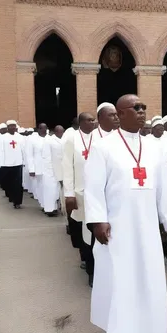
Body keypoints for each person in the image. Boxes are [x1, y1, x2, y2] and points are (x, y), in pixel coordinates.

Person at [84, 94, 167, 333]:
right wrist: (98, 221)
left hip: (148, 231)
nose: (142, 112)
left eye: (144, 107)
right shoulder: (104, 147)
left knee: (148, 283)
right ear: (120, 113)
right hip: (117, 230)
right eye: (135, 108)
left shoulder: (154, 148)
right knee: (123, 285)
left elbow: (164, 191)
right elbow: (93, 188)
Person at [63, 112, 95, 287]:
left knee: (93, 231)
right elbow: (67, 166)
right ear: (81, 122)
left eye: (94, 120)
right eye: (89, 120)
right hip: (79, 192)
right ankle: (88, 265)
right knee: (84, 230)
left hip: (96, 193)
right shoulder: (72, 139)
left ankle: (94, 266)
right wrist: (69, 194)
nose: (93, 123)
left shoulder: (99, 138)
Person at [0, 120, 26, 209]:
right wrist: (1, 163)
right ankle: (11, 196)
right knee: (8, 182)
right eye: (11, 126)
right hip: (6, 164)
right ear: (7, 127)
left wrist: (24, 161)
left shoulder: (20, 137)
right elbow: (1, 151)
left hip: (18, 163)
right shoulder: (3, 138)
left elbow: (23, 150)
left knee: (18, 183)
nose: (13, 127)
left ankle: (17, 202)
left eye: (14, 126)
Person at [41, 125, 64, 217]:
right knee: (50, 190)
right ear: (55, 132)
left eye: (62, 131)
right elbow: (46, 156)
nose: (61, 133)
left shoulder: (63, 140)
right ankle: (49, 209)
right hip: (50, 169)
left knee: (58, 190)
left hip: (61, 168)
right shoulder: (49, 140)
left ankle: (57, 207)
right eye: (59, 131)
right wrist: (49, 169)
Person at [27, 123, 48, 208]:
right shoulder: (33, 140)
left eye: (45, 128)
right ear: (38, 129)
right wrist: (31, 169)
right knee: (41, 187)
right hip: (38, 167)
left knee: (49, 187)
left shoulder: (50, 138)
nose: (43, 130)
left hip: (49, 167)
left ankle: (49, 206)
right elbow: (30, 156)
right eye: (41, 128)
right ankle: (43, 204)